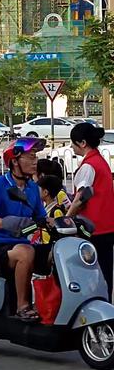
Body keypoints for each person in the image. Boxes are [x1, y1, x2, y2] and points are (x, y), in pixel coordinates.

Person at [0, 137, 49, 322]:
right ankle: (22, 306)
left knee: (55, 253)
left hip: (21, 244)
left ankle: (52, 302)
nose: (35, 160)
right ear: (14, 161)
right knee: (26, 252)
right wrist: (7, 223)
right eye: (30, 156)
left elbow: (41, 218)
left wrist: (67, 221)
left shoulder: (33, 188)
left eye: (36, 156)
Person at [66, 123, 114, 302]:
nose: (71, 146)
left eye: (73, 143)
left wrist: (66, 218)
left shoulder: (88, 166)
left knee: (92, 274)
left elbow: (81, 198)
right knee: (105, 273)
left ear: (83, 143)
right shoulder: (100, 161)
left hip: (93, 229)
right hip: (107, 226)